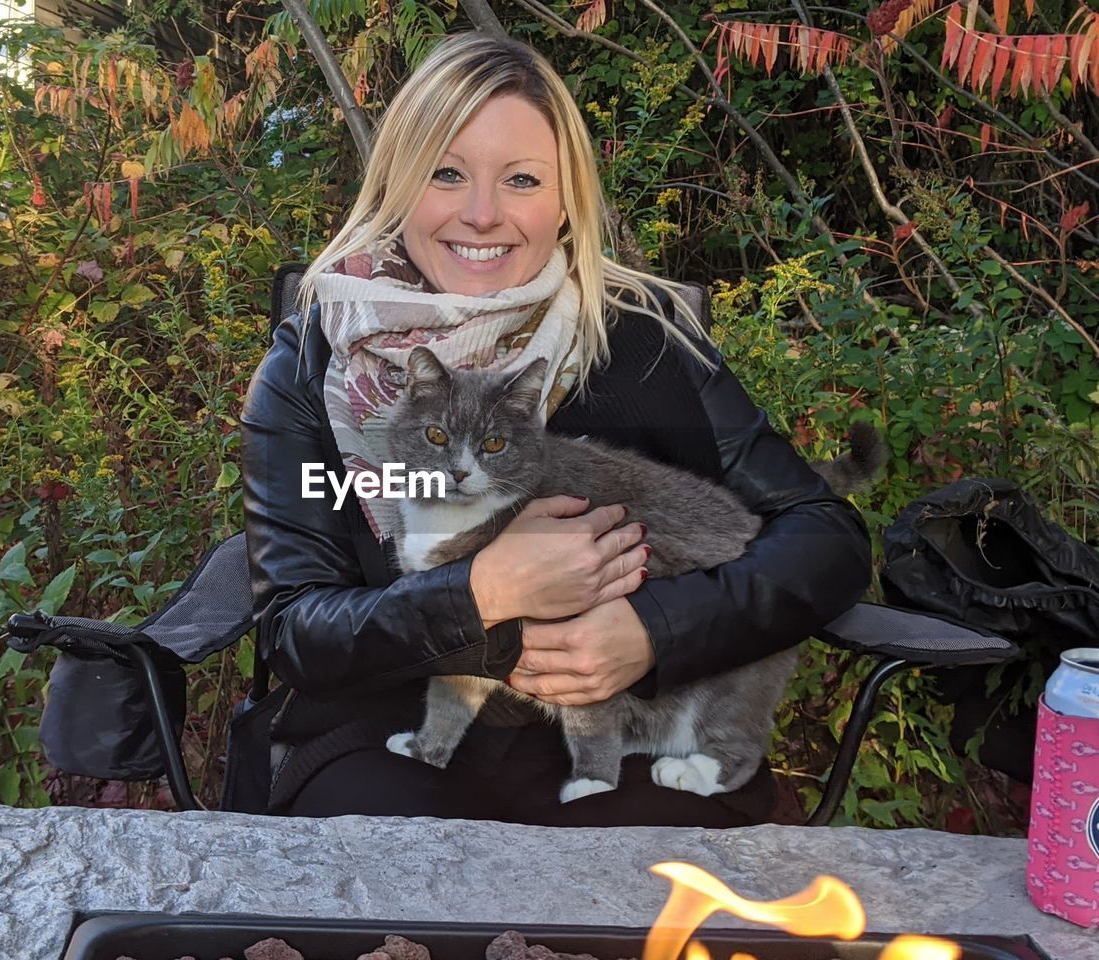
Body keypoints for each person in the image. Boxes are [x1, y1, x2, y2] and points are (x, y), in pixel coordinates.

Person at [239, 32, 871, 826]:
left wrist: (655, 631)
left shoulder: (644, 342)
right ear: (399, 182)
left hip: (629, 728)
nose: (481, 214)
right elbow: (297, 633)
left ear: (568, 198)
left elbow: (825, 539)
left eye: (522, 179)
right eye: (446, 172)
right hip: (386, 732)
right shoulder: (314, 361)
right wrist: (480, 593)